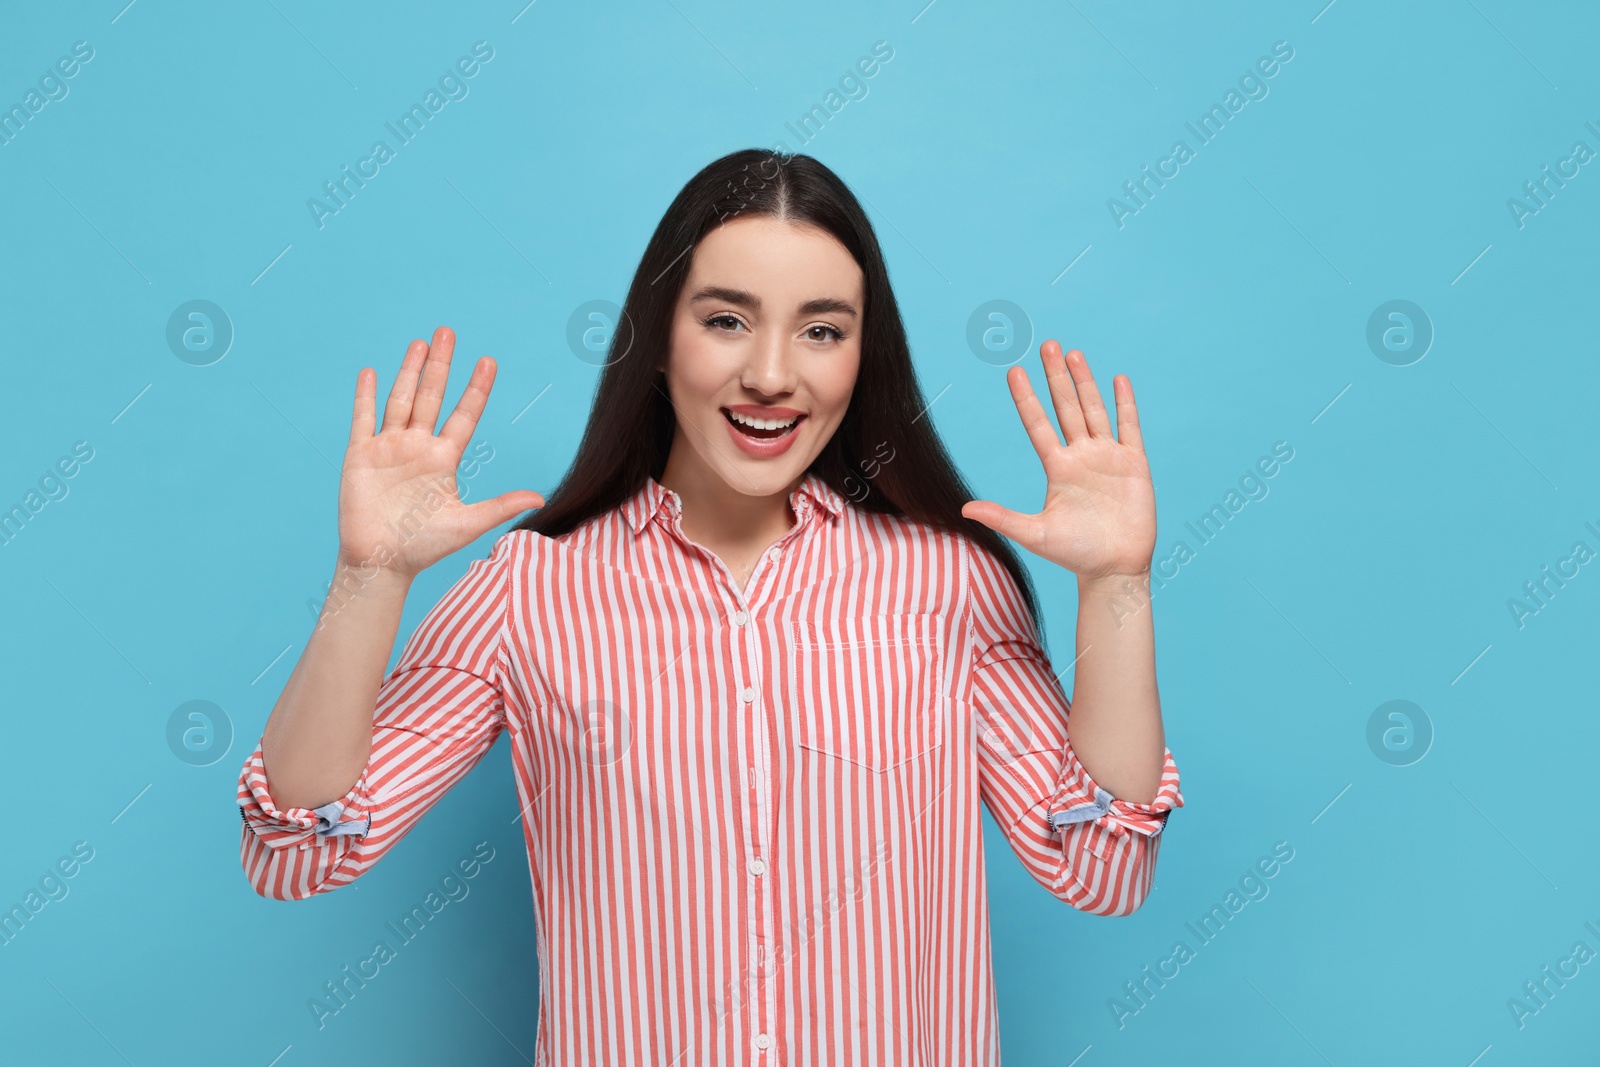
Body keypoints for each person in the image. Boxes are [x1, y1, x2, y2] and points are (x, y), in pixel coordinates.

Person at [237, 148, 1182, 1064]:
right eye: (727, 319)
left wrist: (1116, 586)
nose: (772, 374)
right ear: (657, 341)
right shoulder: (529, 591)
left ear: (862, 359)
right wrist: (370, 577)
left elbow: (1101, 868)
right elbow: (294, 853)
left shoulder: (946, 586)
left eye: (822, 329)